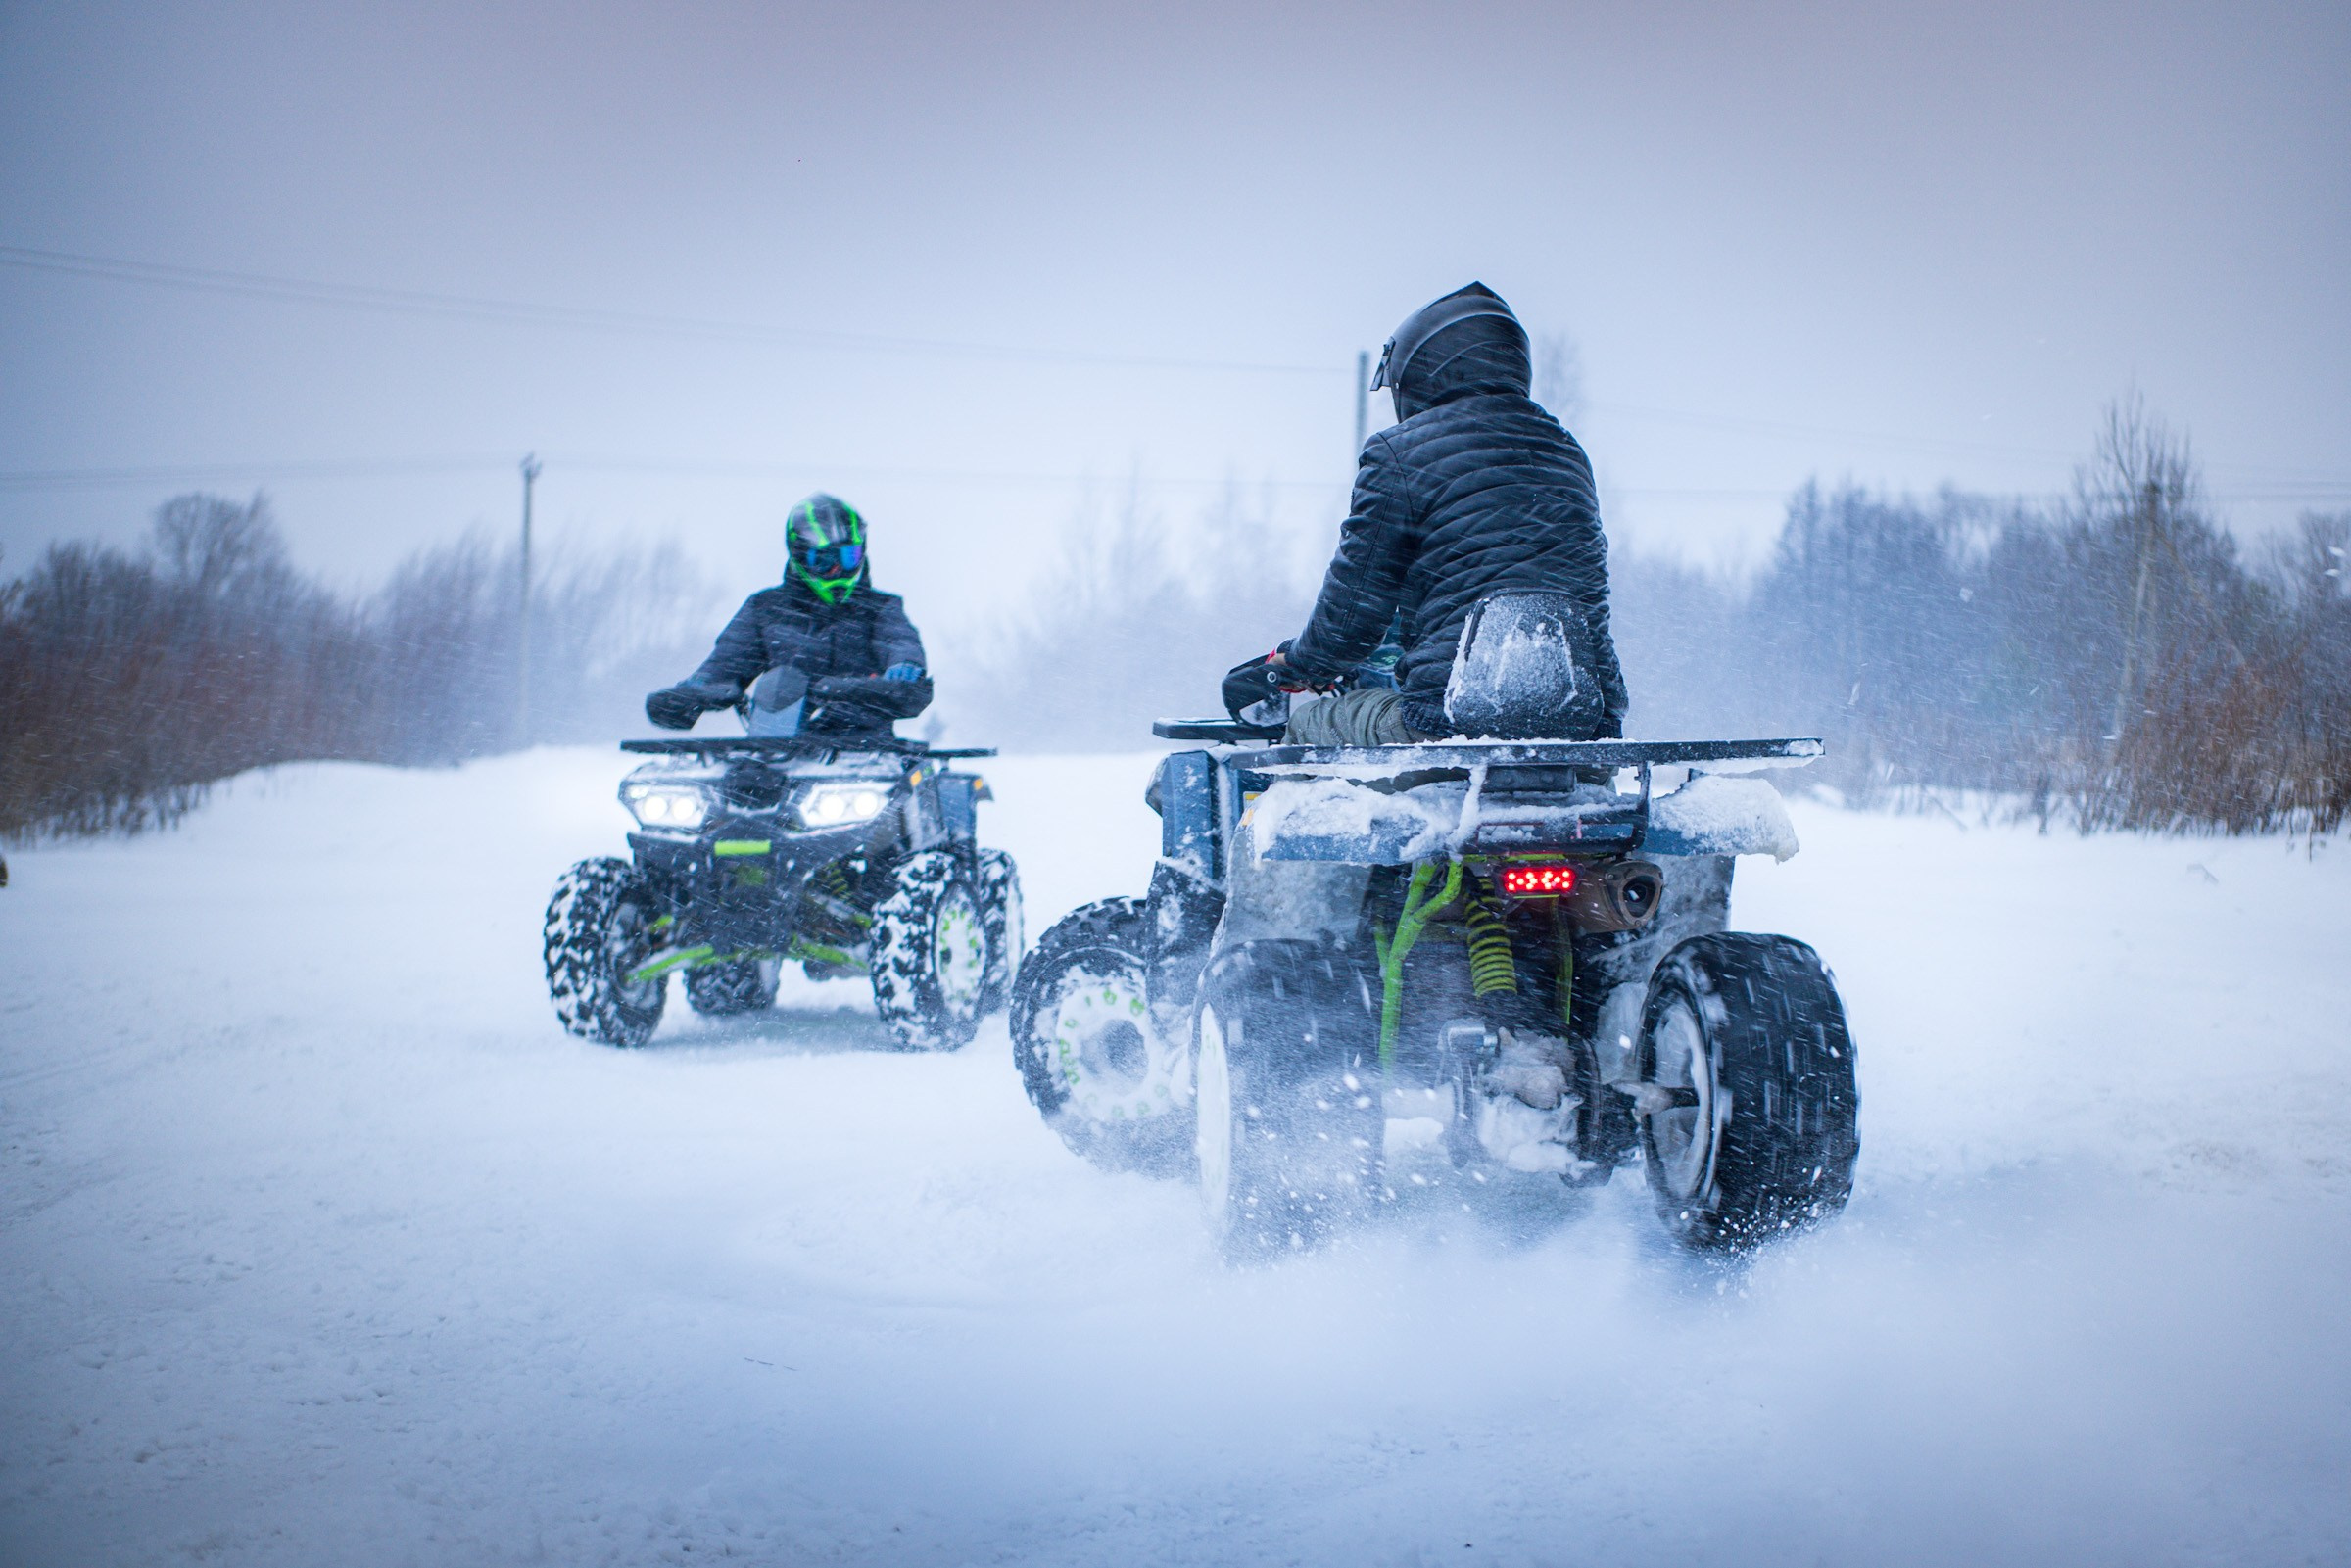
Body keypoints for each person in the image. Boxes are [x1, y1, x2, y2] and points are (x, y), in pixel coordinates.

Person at [1223, 281, 1627, 746]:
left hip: (1447, 726)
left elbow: (1353, 619)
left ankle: (1300, 802)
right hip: (1585, 733)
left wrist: (1296, 664)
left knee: (1310, 723)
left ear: (1422, 372)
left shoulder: (1398, 453)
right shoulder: (1568, 455)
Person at [645, 494, 932, 739]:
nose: (837, 571)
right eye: (823, 560)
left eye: (848, 558)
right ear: (799, 556)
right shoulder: (765, 609)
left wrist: (904, 668)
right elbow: (727, 663)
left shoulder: (880, 609)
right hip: (776, 746)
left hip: (863, 746)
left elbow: (899, 641)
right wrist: (692, 692)